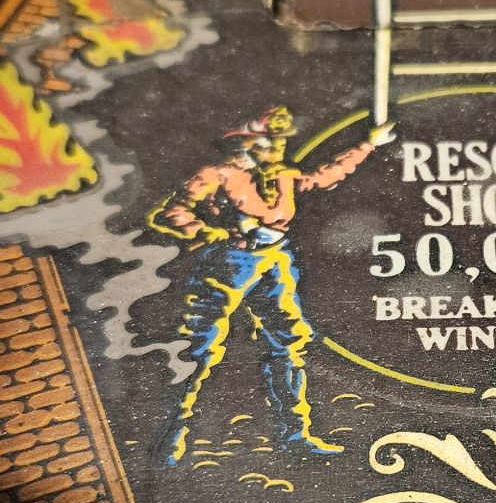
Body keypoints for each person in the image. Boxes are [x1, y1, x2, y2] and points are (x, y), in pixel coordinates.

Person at [150, 106, 394, 462]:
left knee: (290, 341)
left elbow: (325, 176)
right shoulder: (216, 175)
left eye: (280, 142)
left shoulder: (282, 175)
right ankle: (171, 437)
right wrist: (211, 233)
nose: (279, 148)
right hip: (229, 262)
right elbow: (172, 212)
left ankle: (295, 435)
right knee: (201, 345)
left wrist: (368, 144)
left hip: (276, 260)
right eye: (270, 142)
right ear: (246, 144)